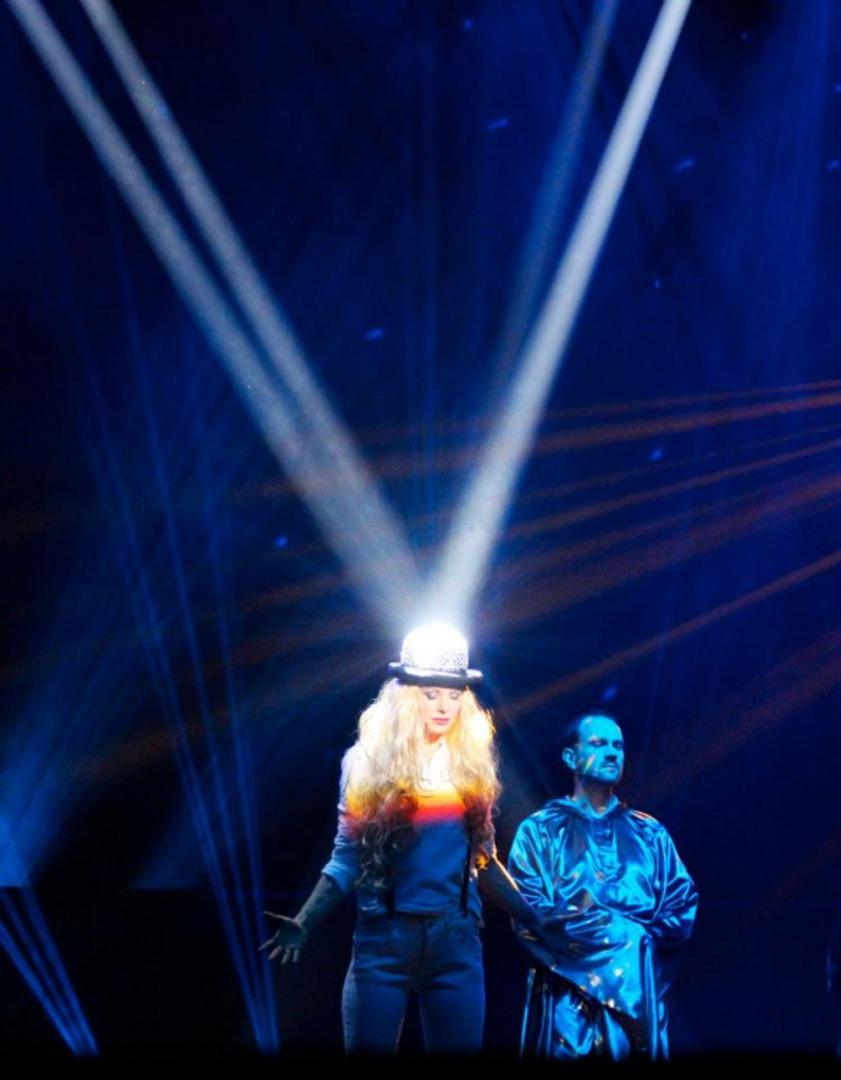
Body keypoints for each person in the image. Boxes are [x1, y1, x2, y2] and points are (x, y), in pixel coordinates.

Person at [262, 623, 552, 1054]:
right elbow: (346, 859)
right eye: (431, 694)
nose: (444, 706)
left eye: (454, 695)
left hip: (455, 942)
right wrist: (304, 921)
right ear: (407, 695)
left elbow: (484, 859)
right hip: (384, 942)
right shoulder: (366, 764)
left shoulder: (471, 764)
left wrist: (535, 918)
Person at [507, 712, 698, 1060]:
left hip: (637, 998)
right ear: (571, 757)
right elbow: (527, 911)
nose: (612, 753)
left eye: (618, 746)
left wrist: (638, 949)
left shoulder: (650, 833)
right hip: (567, 999)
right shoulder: (538, 831)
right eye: (598, 743)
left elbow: (680, 905)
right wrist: (623, 937)